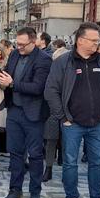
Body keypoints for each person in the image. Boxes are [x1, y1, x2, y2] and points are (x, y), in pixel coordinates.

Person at [44, 23, 100, 198]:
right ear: (81, 41)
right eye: (93, 40)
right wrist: (63, 117)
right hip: (72, 123)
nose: (96, 44)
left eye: (97, 40)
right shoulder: (63, 62)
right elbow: (50, 91)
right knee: (70, 163)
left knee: (97, 163)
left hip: (97, 123)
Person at [0, 27, 52, 198]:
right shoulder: (14, 55)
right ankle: (15, 189)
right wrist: (2, 81)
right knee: (15, 152)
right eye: (17, 43)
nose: (18, 47)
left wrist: (12, 83)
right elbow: (8, 77)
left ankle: (35, 192)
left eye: (22, 44)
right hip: (14, 110)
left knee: (35, 155)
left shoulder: (44, 59)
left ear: (33, 41)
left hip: (34, 113)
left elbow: (37, 88)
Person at [42, 45, 68, 182]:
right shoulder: (50, 72)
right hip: (52, 111)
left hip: (68, 112)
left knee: (67, 142)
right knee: (50, 141)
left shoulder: (71, 72)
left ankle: (66, 169)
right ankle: (48, 168)